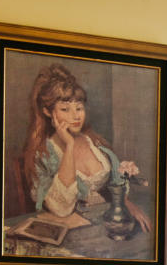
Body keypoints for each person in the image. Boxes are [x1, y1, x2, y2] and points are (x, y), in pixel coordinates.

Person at [14, 64, 145, 247]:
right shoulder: (44, 154)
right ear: (47, 111)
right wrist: (69, 146)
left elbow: (114, 181)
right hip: (73, 237)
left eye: (79, 108)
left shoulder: (94, 141)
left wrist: (125, 202)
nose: (75, 116)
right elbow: (61, 209)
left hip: (106, 227)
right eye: (65, 109)